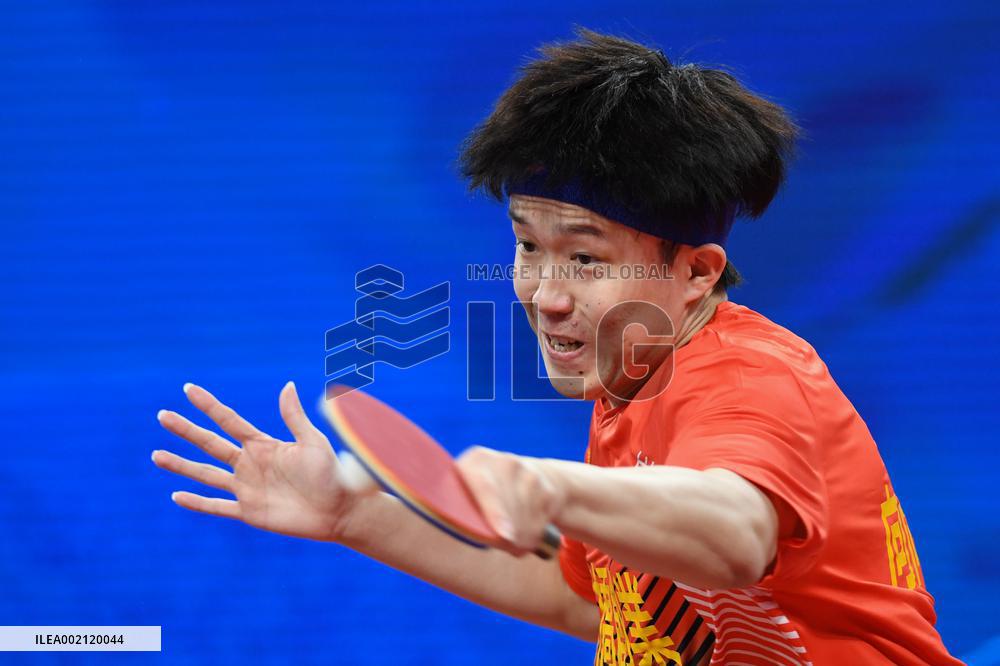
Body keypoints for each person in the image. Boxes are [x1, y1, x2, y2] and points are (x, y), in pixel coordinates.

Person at [152, 29, 961, 665]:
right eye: (528, 247)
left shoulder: (747, 379)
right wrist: (356, 516)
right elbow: (593, 602)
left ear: (696, 273)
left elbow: (738, 533)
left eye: (585, 257)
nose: (544, 292)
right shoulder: (629, 386)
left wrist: (553, 487)